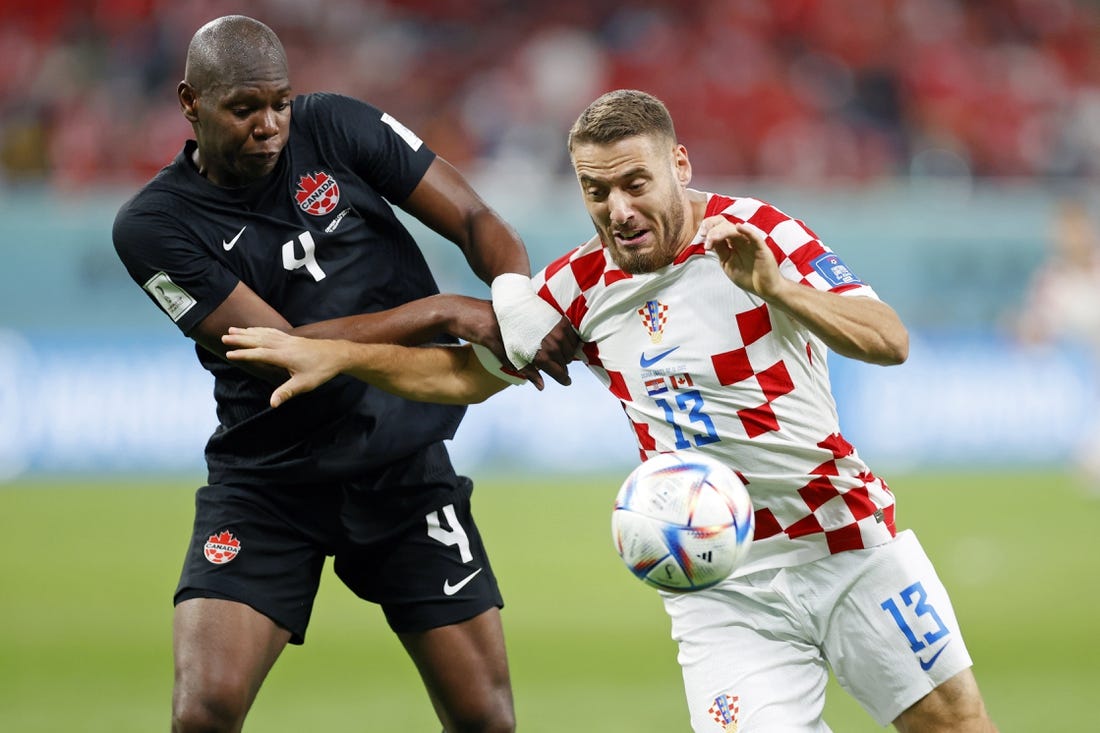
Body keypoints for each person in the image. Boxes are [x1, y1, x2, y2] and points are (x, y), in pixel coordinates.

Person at [222, 89, 1000, 732]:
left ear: (679, 165)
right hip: (719, 585)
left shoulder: (760, 236)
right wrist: (342, 355)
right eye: (596, 191)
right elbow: (464, 378)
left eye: (636, 183)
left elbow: (890, 339)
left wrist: (778, 290)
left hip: (842, 540)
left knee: (954, 724)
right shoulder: (581, 287)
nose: (618, 208)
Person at [111, 14, 576, 733]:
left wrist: (511, 301)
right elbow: (280, 346)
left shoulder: (335, 128)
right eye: (244, 109)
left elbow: (476, 217)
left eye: (279, 102)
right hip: (270, 478)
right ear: (189, 103)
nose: (269, 125)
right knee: (203, 712)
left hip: (401, 465)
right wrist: (444, 310)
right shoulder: (153, 225)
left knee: (488, 718)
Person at [1014, 198, 1100, 489]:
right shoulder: (1053, 281)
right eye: (1063, 231)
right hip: (1093, 374)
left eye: (1075, 230)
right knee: (1090, 469)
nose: (1069, 238)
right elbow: (1036, 332)